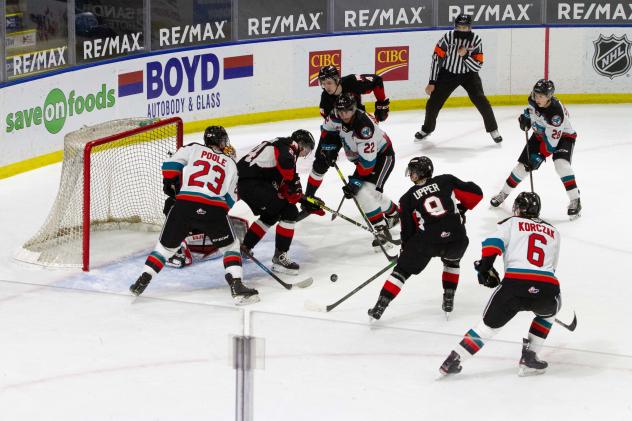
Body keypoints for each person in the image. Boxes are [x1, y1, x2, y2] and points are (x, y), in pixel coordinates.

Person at [129, 126, 259, 305]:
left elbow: (169, 167)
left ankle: (142, 281)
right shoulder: (230, 163)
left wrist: (172, 183)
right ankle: (237, 287)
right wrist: (215, 217)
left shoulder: (193, 148)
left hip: (183, 206)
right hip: (214, 210)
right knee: (231, 247)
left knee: (164, 249)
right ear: (222, 142)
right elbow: (230, 200)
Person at [440, 192, 562, 377]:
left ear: (519, 209)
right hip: (546, 288)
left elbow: (492, 245)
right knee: (549, 313)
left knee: (486, 328)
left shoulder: (511, 222)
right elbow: (551, 267)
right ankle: (530, 355)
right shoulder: (554, 232)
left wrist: (484, 269)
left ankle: (452, 361)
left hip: (514, 286)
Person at [367, 156, 483, 320]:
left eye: (413, 172)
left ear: (421, 172)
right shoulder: (446, 180)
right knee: (452, 261)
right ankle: (449, 299)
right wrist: (461, 209)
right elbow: (476, 194)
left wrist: (405, 249)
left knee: (402, 271)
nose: (410, 175)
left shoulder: (407, 198)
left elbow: (408, 230)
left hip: (427, 242)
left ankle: (380, 306)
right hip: (457, 239)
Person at [302, 66, 390, 216]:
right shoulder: (325, 101)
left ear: (337, 80)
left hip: (359, 126)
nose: (326, 87)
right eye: (323, 83)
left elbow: (377, 81)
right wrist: (328, 149)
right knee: (321, 161)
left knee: (365, 165)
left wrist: (382, 104)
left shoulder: (352, 81)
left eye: (329, 82)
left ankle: (373, 195)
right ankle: (309, 198)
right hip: (339, 129)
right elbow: (330, 129)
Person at [317, 93, 400, 250]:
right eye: (341, 111)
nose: (344, 115)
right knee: (369, 192)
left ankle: (382, 231)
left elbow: (368, 163)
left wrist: (355, 181)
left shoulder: (364, 127)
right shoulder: (334, 116)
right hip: (364, 160)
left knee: (363, 191)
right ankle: (395, 214)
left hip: (382, 157)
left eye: (347, 111)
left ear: (354, 109)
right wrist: (329, 149)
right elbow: (327, 131)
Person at [490, 79, 581, 219]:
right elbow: (532, 115)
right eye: (535, 94)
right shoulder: (532, 100)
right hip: (540, 135)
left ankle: (575, 199)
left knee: (561, 165)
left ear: (549, 97)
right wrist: (525, 120)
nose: (536, 98)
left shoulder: (555, 114)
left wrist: (540, 156)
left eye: (541, 96)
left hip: (563, 137)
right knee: (522, 168)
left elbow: (551, 144)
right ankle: (503, 193)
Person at [414, 14, 502, 144]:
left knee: (482, 101)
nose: (462, 30)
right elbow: (436, 59)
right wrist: (432, 82)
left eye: (465, 27)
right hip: (448, 74)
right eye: (459, 27)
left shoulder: (476, 40)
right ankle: (427, 129)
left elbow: (477, 66)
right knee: (433, 103)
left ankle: (493, 130)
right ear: (455, 26)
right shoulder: (447, 37)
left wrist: (465, 55)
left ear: (470, 27)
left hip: (469, 75)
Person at [237, 129, 315, 274]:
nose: (306, 153)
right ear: (302, 145)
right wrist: (294, 187)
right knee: (289, 211)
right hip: (252, 184)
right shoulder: (290, 147)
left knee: (271, 214)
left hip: (247, 183)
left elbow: (283, 183)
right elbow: (286, 164)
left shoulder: (278, 144)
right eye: (308, 149)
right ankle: (279, 257)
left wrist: (301, 197)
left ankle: (245, 247)